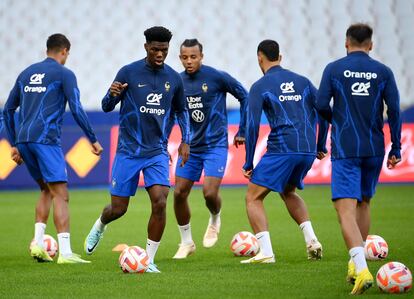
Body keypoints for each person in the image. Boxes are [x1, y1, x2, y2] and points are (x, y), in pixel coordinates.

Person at [84, 26, 190, 273]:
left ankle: (149, 259)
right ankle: (100, 224)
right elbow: (107, 106)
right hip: (127, 152)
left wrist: (186, 140)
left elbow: (181, 111)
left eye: (164, 50)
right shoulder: (128, 72)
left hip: (157, 153)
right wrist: (111, 96)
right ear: (146, 47)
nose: (160, 54)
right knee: (118, 209)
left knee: (160, 202)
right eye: (155, 49)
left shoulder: (174, 79)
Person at [316, 23, 401, 295]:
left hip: (346, 145)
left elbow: (319, 106)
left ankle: (363, 270)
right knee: (364, 202)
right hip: (375, 147)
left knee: (345, 210)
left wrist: (335, 120)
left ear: (346, 42)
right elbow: (395, 110)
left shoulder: (334, 69)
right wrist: (396, 147)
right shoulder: (383, 72)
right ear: (371, 45)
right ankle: (355, 265)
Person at [3, 33, 103, 264]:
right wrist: (93, 139)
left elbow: (7, 110)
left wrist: (15, 142)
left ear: (47, 49)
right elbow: (77, 108)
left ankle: (38, 243)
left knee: (45, 190)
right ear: (65, 51)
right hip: (46, 140)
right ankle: (66, 253)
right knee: (61, 194)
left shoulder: (26, 73)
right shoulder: (64, 74)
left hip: (25, 140)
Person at [241, 40, 328, 264]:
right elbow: (325, 112)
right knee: (288, 191)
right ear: (281, 57)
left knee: (253, 197)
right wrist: (320, 145)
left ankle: (266, 252)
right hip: (307, 150)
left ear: (260, 58)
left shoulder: (261, 86)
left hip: (283, 148)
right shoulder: (303, 81)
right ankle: (312, 240)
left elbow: (251, 126)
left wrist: (248, 161)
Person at [170, 39, 248, 259]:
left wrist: (242, 130)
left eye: (193, 57)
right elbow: (170, 114)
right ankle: (186, 243)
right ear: (180, 58)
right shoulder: (177, 82)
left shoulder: (216, 77)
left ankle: (215, 218)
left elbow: (245, 95)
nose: (189, 61)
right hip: (190, 147)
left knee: (209, 193)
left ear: (201, 56)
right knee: (178, 193)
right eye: (185, 57)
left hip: (215, 145)